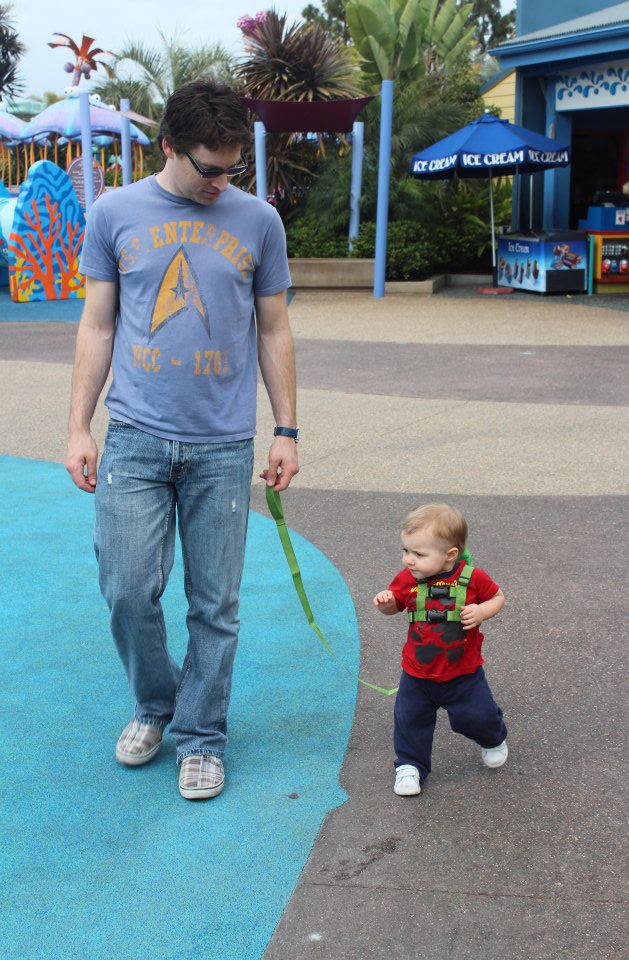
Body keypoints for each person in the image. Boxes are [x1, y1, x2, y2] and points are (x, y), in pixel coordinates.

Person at [65, 79, 299, 801]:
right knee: (128, 588)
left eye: (231, 169)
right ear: (168, 146)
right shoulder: (115, 212)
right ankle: (155, 703)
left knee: (214, 604)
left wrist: (286, 427)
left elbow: (274, 328)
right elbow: (98, 325)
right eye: (209, 168)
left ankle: (201, 735)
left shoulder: (258, 222)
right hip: (135, 435)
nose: (220, 182)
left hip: (224, 444)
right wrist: (79, 425)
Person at [373, 503, 506, 797]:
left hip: (463, 674)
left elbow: (498, 597)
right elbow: (395, 604)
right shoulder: (408, 579)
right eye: (406, 550)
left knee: (477, 717)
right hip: (417, 674)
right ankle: (409, 766)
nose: (409, 560)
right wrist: (386, 604)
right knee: (410, 719)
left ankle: (493, 737)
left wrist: (482, 610)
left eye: (419, 554)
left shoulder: (473, 578)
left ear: (450, 555)